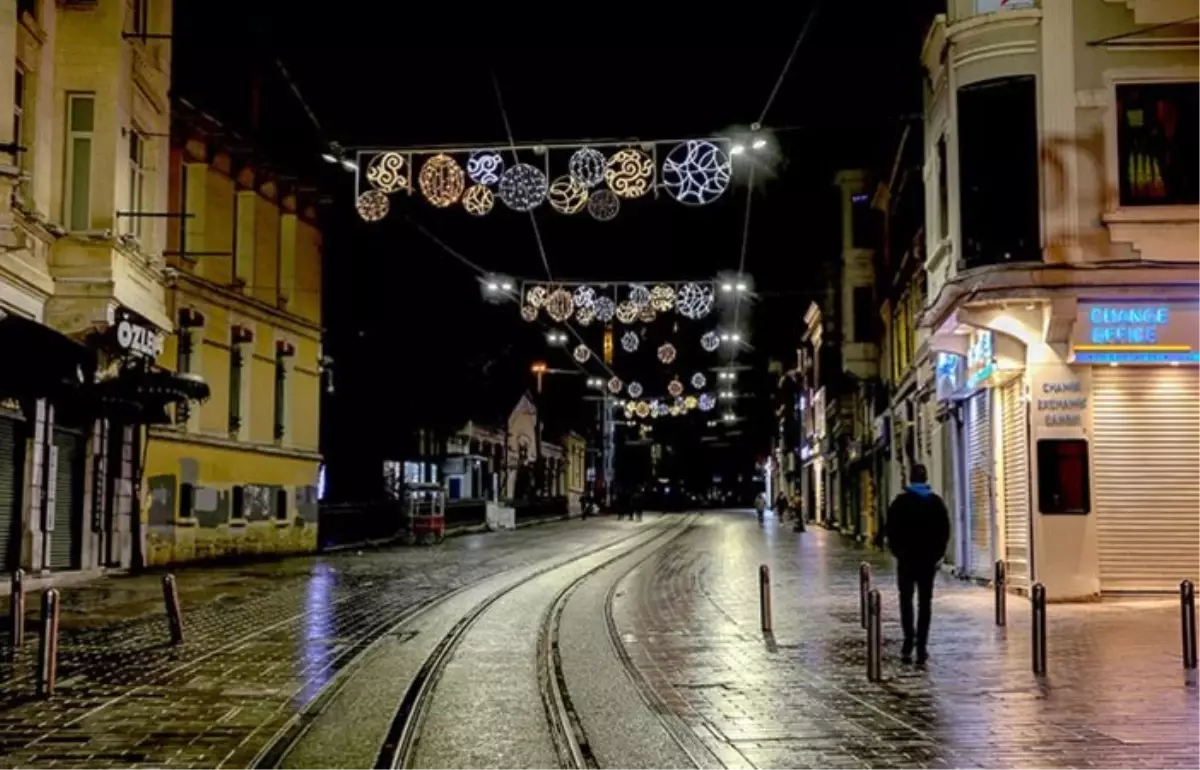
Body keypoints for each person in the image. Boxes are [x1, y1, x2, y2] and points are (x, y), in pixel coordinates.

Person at [883, 464, 950, 665]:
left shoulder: (900, 503)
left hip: (907, 560)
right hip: (927, 561)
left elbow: (890, 531)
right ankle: (922, 645)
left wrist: (899, 553)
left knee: (906, 600)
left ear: (910, 480)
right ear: (926, 478)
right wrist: (937, 555)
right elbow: (944, 531)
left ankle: (908, 640)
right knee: (925, 603)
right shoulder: (936, 503)